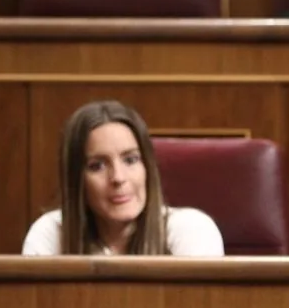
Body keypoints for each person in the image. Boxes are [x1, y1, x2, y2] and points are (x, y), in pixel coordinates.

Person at [22, 101, 224, 256]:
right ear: (77, 180)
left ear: (147, 167)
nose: (118, 178)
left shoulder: (191, 231)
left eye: (130, 160)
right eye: (97, 165)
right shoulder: (51, 233)